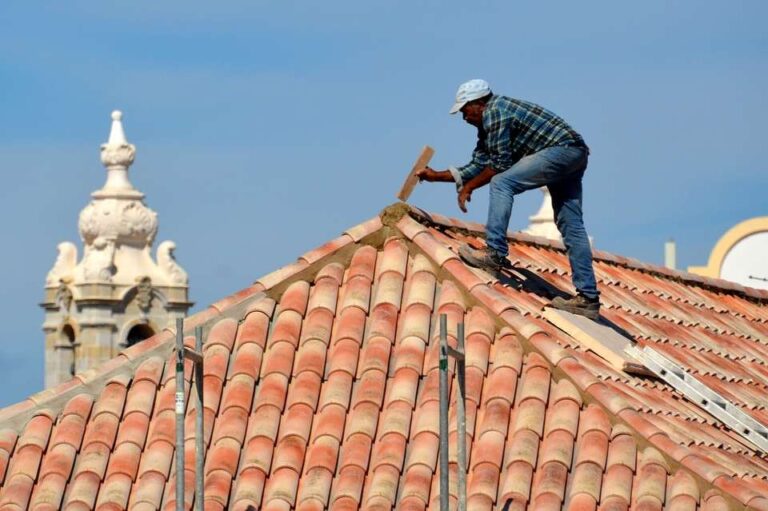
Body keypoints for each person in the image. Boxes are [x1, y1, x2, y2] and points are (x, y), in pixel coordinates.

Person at [416, 79, 600, 320]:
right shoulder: (488, 124)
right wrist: (434, 176)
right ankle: (588, 299)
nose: (464, 118)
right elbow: (479, 164)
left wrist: (469, 187)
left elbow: (499, 165)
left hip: (561, 150)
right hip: (575, 154)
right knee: (571, 225)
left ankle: (494, 253)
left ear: (479, 103)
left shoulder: (495, 113)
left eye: (465, 110)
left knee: (502, 182)